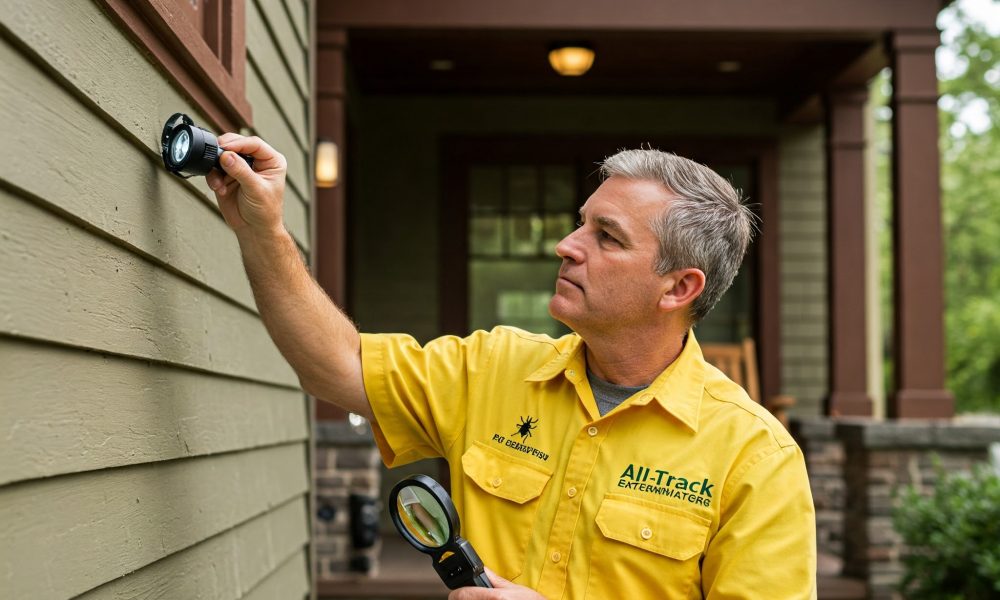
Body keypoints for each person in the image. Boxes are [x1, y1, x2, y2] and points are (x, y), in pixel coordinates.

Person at [207, 137, 817, 599]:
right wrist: (263, 231)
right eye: (583, 222)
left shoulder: (755, 458)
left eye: (606, 236)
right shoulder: (492, 367)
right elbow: (336, 366)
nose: (568, 244)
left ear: (678, 287)